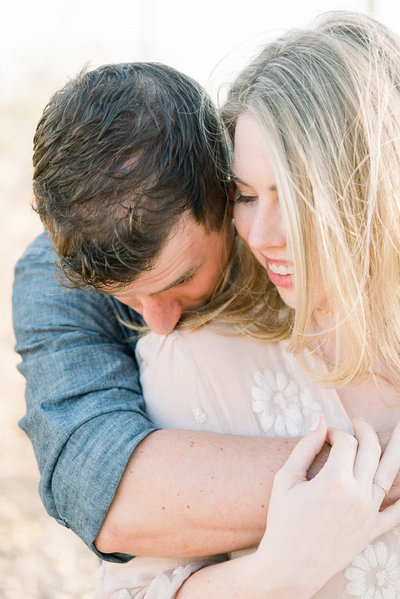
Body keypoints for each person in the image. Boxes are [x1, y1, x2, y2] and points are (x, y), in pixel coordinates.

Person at [12, 29, 400, 595]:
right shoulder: (70, 284)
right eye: (126, 300)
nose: (158, 323)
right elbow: (97, 478)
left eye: (182, 279)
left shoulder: (245, 162)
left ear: (220, 186)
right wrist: (358, 482)